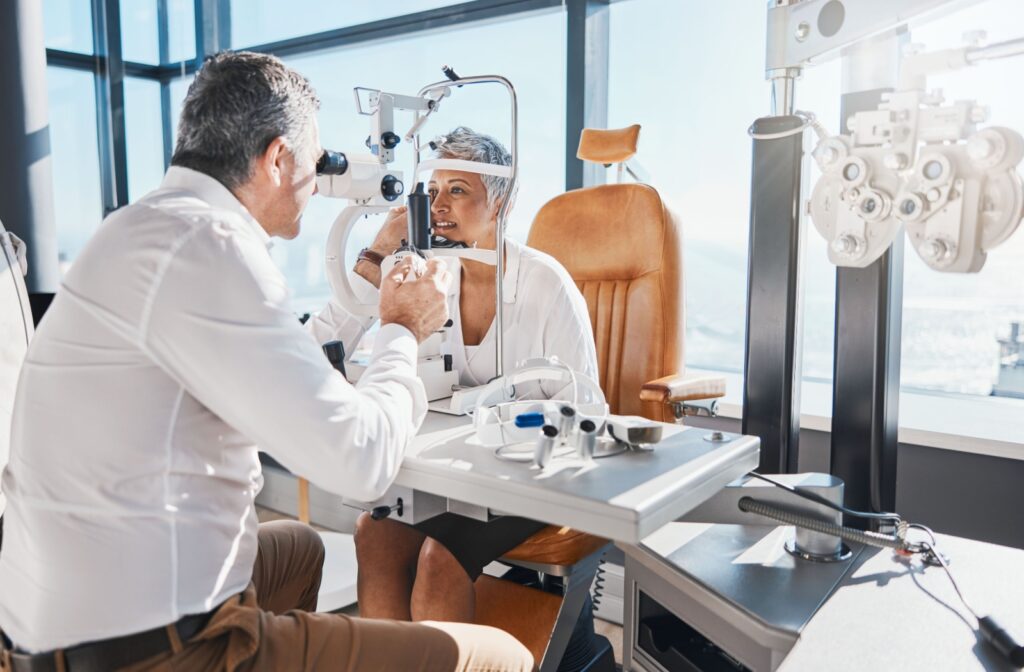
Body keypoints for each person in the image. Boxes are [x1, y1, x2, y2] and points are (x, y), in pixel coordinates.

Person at [0, 51, 533, 672]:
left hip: (47, 620)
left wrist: (370, 280)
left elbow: (276, 361)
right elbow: (361, 462)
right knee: (500, 658)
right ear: (279, 160)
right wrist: (402, 329)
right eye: (314, 160)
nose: (319, 176)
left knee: (301, 549)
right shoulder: (214, 249)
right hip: (148, 650)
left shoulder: (139, 228)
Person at [308, 127, 600, 623]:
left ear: (501, 201)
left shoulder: (545, 282)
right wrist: (380, 251)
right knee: (373, 535)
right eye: (434, 190)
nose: (439, 205)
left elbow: (590, 410)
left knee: (438, 561)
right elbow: (322, 346)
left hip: (531, 481)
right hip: (459, 479)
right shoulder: (434, 275)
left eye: (458, 190)